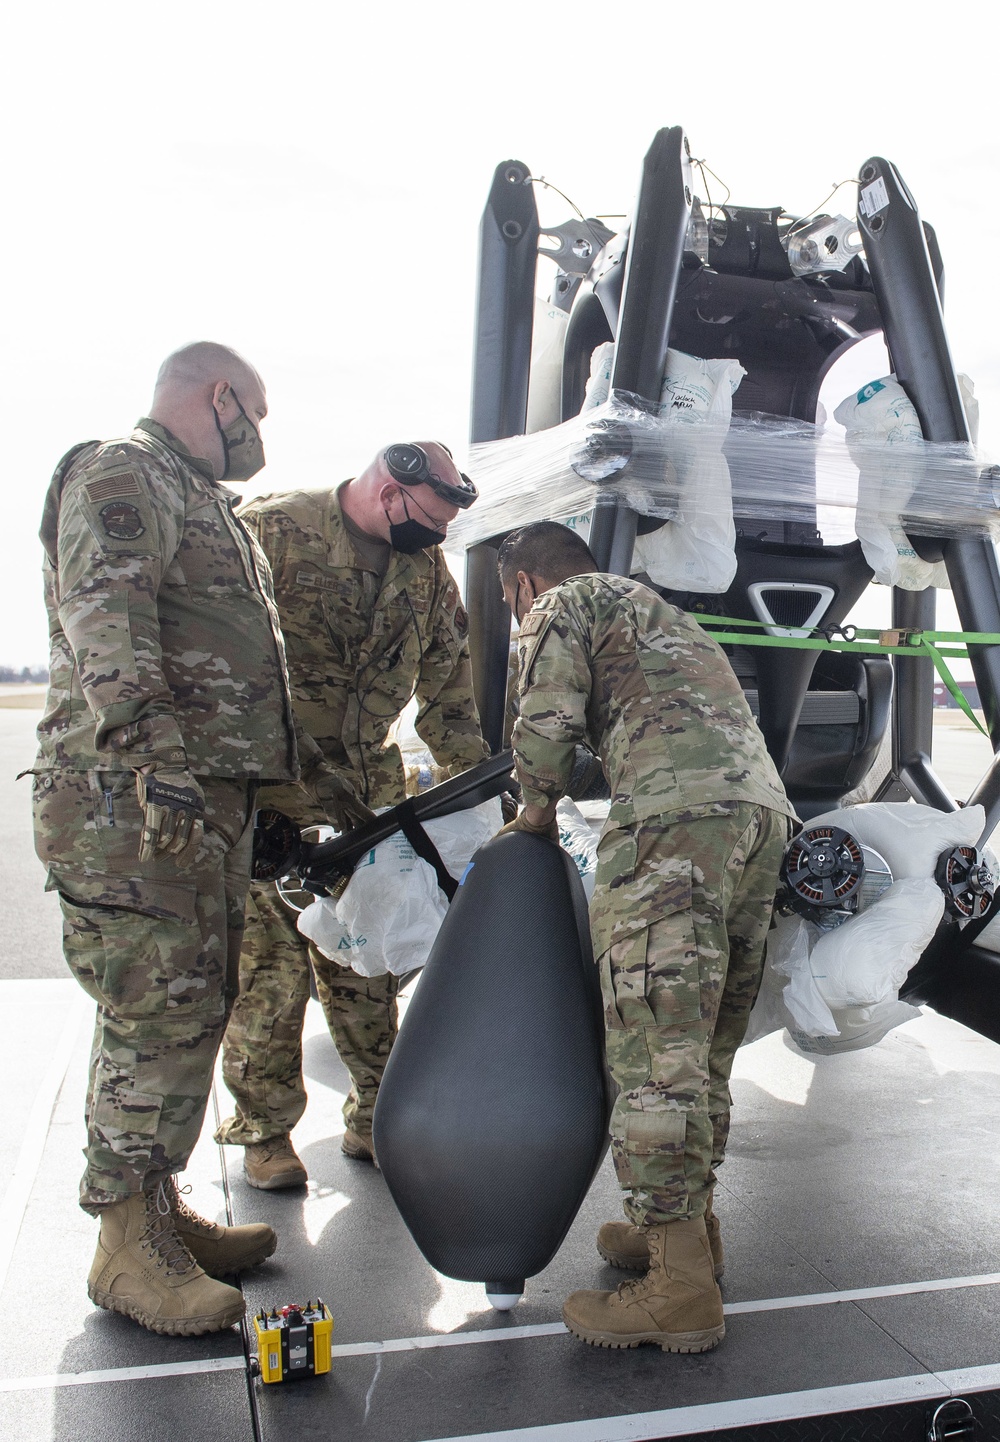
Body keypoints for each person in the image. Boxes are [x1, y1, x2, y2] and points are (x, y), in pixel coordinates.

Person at [31, 342, 309, 1337]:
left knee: (194, 1006)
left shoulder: (200, 500)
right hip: (140, 802)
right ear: (219, 394)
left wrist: (263, 796)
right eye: (257, 414)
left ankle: (154, 1209)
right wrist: (156, 765)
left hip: (199, 802)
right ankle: (123, 1248)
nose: (261, 438)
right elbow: (107, 618)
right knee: (155, 1013)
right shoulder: (122, 469)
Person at [498, 520, 796, 1354]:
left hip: (673, 825)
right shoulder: (656, 611)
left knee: (654, 1047)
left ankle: (677, 1288)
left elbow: (546, 724)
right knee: (700, 1049)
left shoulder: (560, 601)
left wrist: (530, 812)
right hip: (759, 819)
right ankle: (688, 1231)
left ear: (523, 583)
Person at [215, 442, 490, 1188]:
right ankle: (265, 1134)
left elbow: (448, 687)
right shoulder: (269, 531)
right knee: (270, 978)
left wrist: (479, 793)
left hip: (367, 799)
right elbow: (209, 660)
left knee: (368, 966)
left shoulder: (423, 571)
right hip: (269, 797)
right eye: (426, 524)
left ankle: (376, 1117)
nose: (432, 543)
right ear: (389, 488)